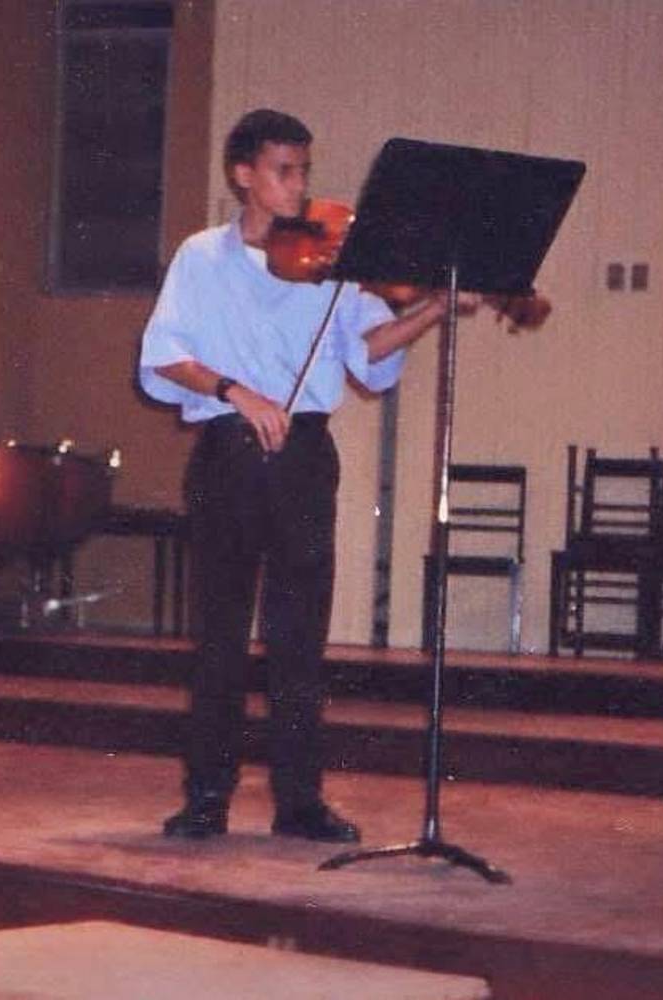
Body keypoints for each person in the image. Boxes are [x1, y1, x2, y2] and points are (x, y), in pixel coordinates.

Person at [139, 109, 473, 842]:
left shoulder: (333, 261)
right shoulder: (202, 257)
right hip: (228, 451)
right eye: (284, 171)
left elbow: (369, 355)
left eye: (304, 171)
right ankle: (206, 798)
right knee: (221, 637)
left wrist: (434, 308)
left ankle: (299, 803)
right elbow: (162, 354)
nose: (300, 187)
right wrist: (235, 390)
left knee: (300, 641)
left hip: (305, 457)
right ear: (244, 176)